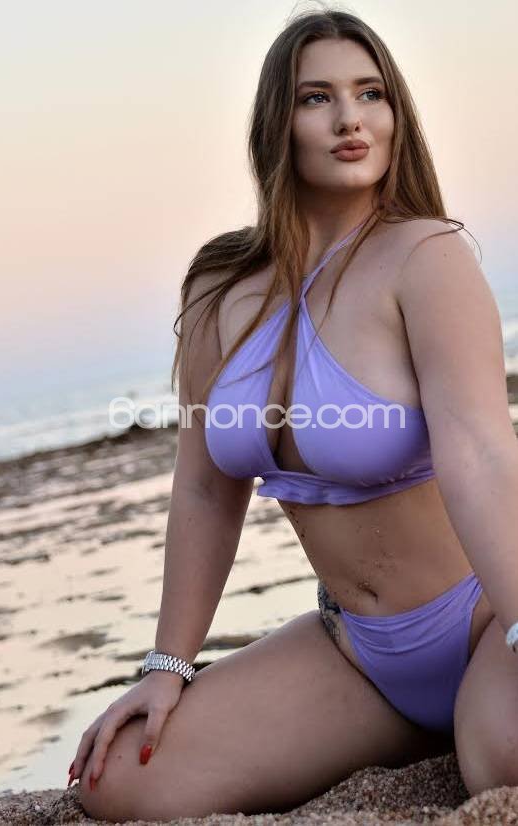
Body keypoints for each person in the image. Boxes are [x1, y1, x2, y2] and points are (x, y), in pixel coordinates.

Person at [72, 8, 518, 823]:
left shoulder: (426, 255)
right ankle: (437, 725)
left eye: (371, 93)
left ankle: (477, 716)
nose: (350, 118)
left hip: (489, 615)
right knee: (121, 781)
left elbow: (482, 454)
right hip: (357, 653)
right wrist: (168, 664)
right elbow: (204, 489)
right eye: (318, 97)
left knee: (503, 763)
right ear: (277, 121)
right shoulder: (219, 288)